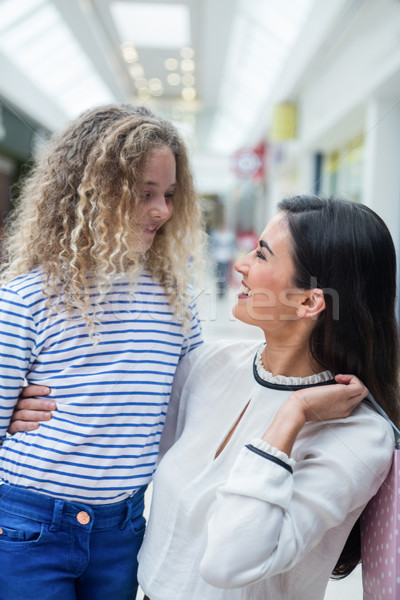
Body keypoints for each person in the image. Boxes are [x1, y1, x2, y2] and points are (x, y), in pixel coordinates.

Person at [9, 196, 399, 600]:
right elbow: (120, 432)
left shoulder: (361, 436)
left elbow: (230, 563)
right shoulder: (210, 366)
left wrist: (292, 416)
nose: (241, 264)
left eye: (262, 255)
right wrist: (35, 408)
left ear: (308, 302)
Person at [0, 103, 204, 600]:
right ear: (88, 196)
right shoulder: (28, 298)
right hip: (28, 524)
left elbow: (206, 392)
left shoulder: (177, 303)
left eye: (170, 195)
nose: (161, 210)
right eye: (144, 194)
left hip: (124, 529)